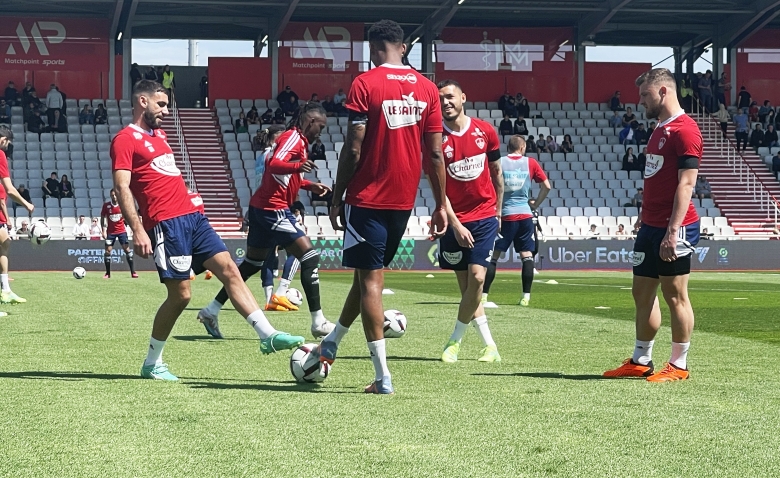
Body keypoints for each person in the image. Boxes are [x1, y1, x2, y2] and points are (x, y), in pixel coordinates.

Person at [111, 80, 304, 381]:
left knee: (230, 270)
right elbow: (122, 187)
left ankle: (268, 335)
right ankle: (152, 362)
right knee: (181, 296)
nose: (165, 111)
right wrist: (137, 230)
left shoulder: (160, 136)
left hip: (193, 218)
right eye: (161, 105)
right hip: (165, 224)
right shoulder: (125, 139)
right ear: (143, 102)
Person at [319, 19, 447, 395]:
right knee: (367, 277)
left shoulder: (365, 83)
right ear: (403, 47)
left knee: (371, 281)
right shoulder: (428, 89)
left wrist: (338, 193)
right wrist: (441, 204)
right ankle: (332, 343)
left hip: (368, 197)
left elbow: (354, 146)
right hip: (404, 200)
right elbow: (436, 153)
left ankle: (382, 377)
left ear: (373, 49)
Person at [197, 103, 335, 339]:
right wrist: (298, 165)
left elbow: (282, 176)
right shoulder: (294, 138)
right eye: (320, 127)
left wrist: (308, 184)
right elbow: (275, 165)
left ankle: (211, 310)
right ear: (310, 122)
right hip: (274, 209)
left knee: (252, 264)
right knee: (310, 256)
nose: (320, 132)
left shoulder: (295, 140)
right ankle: (318, 321)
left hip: (261, 207)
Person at [603, 68, 702, 382]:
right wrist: (644, 215)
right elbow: (656, 179)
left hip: (676, 226)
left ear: (662, 91)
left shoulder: (686, 130)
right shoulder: (660, 128)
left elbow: (686, 185)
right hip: (651, 224)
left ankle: (679, 365)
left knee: (675, 295)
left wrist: (672, 230)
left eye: (645, 94)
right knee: (641, 291)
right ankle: (641, 359)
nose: (640, 101)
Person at [432, 80, 503, 364]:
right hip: (454, 221)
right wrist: (456, 225)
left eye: (449, 96)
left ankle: (454, 341)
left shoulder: (485, 131)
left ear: (463, 96)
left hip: (485, 216)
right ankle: (490, 347)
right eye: (440, 99)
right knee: (467, 291)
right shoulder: (435, 139)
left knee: (477, 279)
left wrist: (497, 211)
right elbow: (438, 190)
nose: (445, 102)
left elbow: (497, 173)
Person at [482, 135, 550, 309]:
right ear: (523, 147)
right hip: (525, 216)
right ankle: (525, 297)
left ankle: (483, 296)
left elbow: (488, 184)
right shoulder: (531, 163)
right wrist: (536, 203)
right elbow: (547, 186)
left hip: (504, 216)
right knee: (526, 256)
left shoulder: (500, 162)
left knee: (493, 256)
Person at [0, 126, 35, 305]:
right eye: (8, 143)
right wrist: (27, 204)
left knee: (5, 242)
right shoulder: (0, 155)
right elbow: (10, 190)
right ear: (3, 140)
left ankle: (5, 290)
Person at [101, 188, 138, 278]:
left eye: (115, 195)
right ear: (110, 196)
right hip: (111, 232)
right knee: (107, 251)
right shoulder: (106, 206)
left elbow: (128, 217)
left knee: (127, 250)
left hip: (121, 231)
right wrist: (103, 230)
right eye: (112, 195)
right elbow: (102, 217)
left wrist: (132, 228)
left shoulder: (122, 205)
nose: (114, 197)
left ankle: (133, 272)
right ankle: (108, 273)